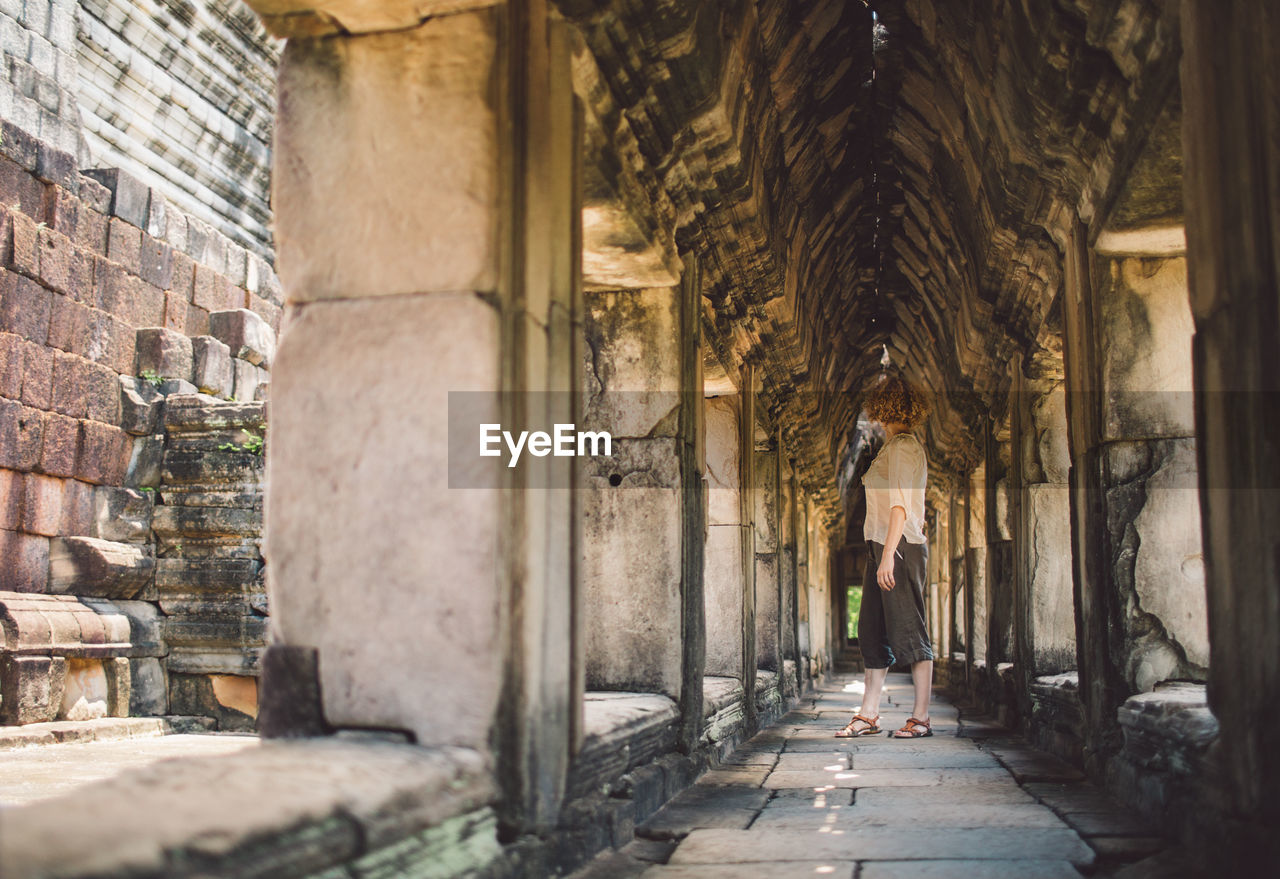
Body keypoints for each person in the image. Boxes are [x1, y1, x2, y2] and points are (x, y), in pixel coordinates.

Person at [836, 373, 935, 739]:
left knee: (910, 629)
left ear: (884, 408)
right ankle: (869, 713)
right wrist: (881, 553)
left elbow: (900, 507)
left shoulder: (903, 449)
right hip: (882, 546)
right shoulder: (893, 449)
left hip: (900, 548)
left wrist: (889, 556)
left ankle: (921, 717)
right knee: (871, 631)